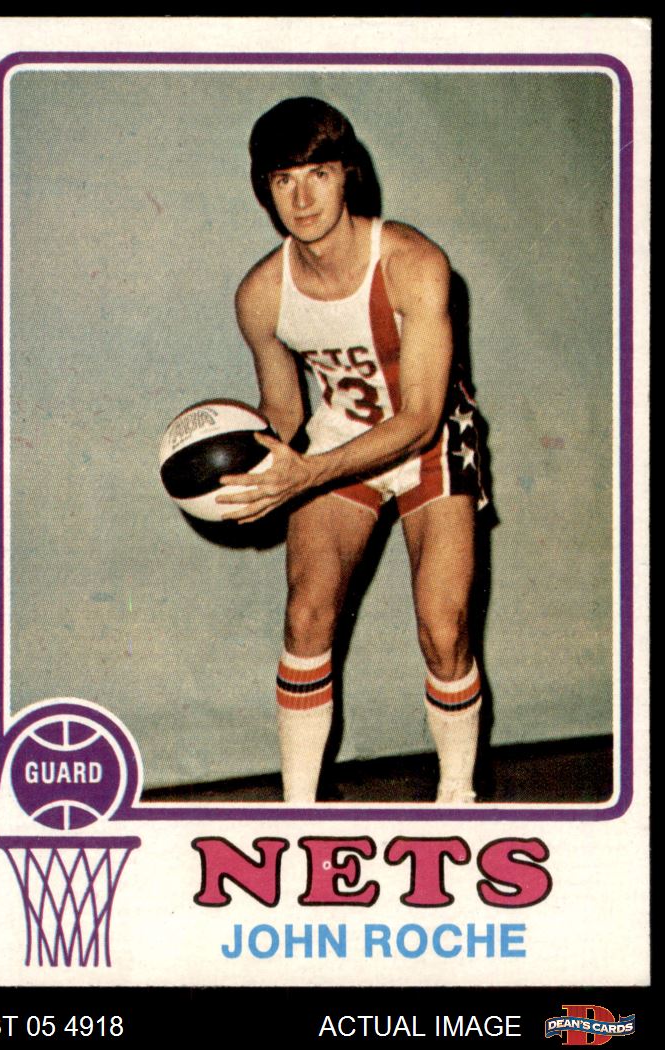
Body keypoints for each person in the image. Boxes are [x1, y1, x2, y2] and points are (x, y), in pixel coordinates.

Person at [218, 97, 487, 805]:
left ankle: (457, 799)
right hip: (340, 436)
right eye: (283, 180)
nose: (302, 198)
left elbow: (421, 418)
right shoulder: (260, 294)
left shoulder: (412, 262)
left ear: (347, 176)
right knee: (306, 613)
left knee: (443, 626)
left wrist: (306, 473)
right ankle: (298, 811)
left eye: (318, 174)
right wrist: (246, 471)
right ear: (265, 190)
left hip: (432, 440)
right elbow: (284, 410)